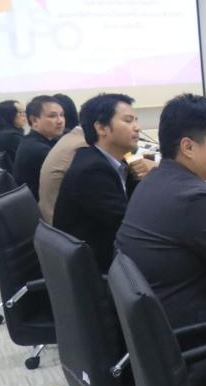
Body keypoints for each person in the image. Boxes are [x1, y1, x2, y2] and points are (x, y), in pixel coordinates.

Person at [115, 93, 206, 327]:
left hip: (158, 318)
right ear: (188, 147)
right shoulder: (195, 198)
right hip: (200, 327)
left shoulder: (154, 179)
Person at [53, 94, 141, 271]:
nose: (137, 127)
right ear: (101, 128)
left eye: (136, 120)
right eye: (128, 120)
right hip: (98, 268)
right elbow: (131, 225)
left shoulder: (99, 158)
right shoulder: (92, 172)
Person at [13, 95, 65, 199]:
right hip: (42, 205)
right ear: (34, 120)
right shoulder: (38, 149)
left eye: (62, 115)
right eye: (52, 116)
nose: (60, 121)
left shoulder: (32, 141)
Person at [38, 124, 88, 224]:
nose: (60, 121)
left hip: (46, 219)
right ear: (102, 127)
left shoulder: (70, 137)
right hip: (59, 225)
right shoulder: (83, 146)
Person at [0, 99, 26, 167]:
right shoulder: (12, 136)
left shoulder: (1, 133)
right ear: (9, 115)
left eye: (24, 112)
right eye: (20, 112)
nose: (24, 115)